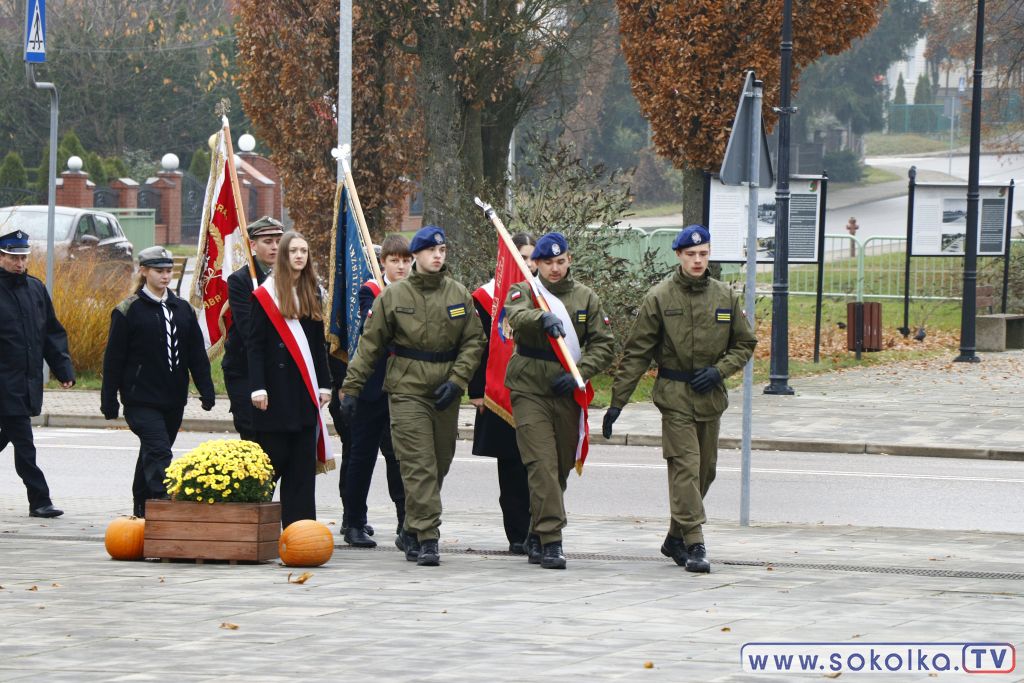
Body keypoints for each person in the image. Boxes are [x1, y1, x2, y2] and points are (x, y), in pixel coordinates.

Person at [603, 225, 756, 573]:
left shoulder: (725, 296)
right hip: (674, 397)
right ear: (679, 256)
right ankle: (695, 542)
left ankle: (674, 536)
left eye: (703, 254)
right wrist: (617, 402)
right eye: (691, 254)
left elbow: (745, 343)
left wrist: (720, 370)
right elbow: (637, 353)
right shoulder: (660, 297)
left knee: (705, 472)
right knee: (685, 467)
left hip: (710, 396)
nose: (698, 260)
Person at [340, 225, 483, 567]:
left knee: (440, 461)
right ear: (416, 255)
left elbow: (474, 341)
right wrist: (352, 387)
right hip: (407, 388)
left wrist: (458, 380)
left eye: (442, 251)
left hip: (445, 388)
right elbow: (369, 345)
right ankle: (427, 537)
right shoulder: (393, 296)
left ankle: (410, 528)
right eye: (431, 251)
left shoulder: (458, 294)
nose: (438, 256)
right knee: (419, 464)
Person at [504, 232, 614, 570]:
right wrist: (542, 318)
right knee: (541, 464)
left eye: (560, 261)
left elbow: (604, 345)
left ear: (569, 260)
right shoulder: (525, 290)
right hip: (529, 389)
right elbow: (516, 315)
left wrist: (580, 373)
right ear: (536, 263)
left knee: (560, 467)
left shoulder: (585, 297)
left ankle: (537, 532)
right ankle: (552, 540)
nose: (555, 268)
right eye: (548, 262)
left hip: (567, 390)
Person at [101, 246, 215, 518]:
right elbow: (113, 359)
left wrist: (206, 390)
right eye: (158, 271)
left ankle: (141, 510)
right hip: (140, 400)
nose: (165, 276)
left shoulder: (182, 309)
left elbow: (196, 355)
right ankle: (164, 503)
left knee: (152, 452)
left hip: (173, 399)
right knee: (159, 451)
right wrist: (109, 400)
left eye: (168, 271)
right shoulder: (128, 310)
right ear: (144, 271)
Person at [248, 231, 333, 529]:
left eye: (304, 251)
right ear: (284, 256)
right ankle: (259, 531)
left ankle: (300, 531)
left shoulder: (313, 291)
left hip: (304, 391)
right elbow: (255, 346)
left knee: (301, 469)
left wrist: (325, 384)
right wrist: (257, 387)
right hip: (275, 392)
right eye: (293, 251)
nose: (299, 256)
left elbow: (318, 346)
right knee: (272, 465)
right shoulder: (265, 295)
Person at [339, 235, 411, 548]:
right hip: (372, 387)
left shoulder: (418, 290)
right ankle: (354, 522)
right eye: (395, 260)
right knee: (362, 456)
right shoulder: (371, 289)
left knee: (400, 459)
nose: (401, 266)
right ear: (383, 262)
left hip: (403, 388)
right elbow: (377, 331)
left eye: (406, 260)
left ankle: (406, 524)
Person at [468, 232, 536, 554]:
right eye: (522, 256)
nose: (529, 263)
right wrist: (477, 390)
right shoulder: (487, 297)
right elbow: (479, 345)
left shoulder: (544, 294)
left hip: (537, 391)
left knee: (539, 467)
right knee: (511, 468)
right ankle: (517, 534)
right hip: (499, 392)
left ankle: (539, 531)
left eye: (533, 257)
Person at [0, 229, 75, 518]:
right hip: (5, 384)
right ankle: (40, 500)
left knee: (11, 434)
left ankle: (39, 500)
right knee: (24, 443)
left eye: (23, 258)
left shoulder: (35, 289)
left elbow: (51, 333)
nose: (19, 263)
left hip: (25, 383)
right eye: (13, 258)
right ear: (1, 257)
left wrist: (63, 368)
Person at [222, 216, 283, 441]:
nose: (275, 247)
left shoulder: (292, 277)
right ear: (253, 245)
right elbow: (248, 329)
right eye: (268, 241)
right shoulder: (240, 280)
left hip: (281, 370)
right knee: (253, 434)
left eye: (278, 241)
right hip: (245, 370)